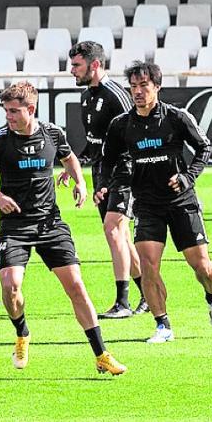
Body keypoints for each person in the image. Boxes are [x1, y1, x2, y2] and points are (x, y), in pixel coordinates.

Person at [0, 82, 127, 376]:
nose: (9, 117)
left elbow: (69, 157)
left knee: (77, 287)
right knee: (10, 286)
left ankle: (101, 354)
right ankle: (22, 332)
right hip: (15, 226)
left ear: (31, 109)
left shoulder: (52, 133)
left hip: (50, 223)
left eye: (14, 111)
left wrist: (79, 181)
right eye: (6, 111)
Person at [98, 61, 212, 344]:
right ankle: (162, 325)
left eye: (144, 86)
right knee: (149, 264)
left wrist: (188, 177)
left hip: (181, 201)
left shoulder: (176, 118)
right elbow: (107, 159)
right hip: (146, 204)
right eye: (133, 87)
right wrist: (103, 185)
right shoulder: (122, 125)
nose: (138, 92)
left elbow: (205, 146)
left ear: (157, 86)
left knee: (202, 267)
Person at [68, 40, 145, 317]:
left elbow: (135, 133)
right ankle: (146, 294)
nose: (72, 70)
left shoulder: (116, 95)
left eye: (77, 65)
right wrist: (72, 164)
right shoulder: (86, 96)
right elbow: (94, 141)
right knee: (120, 234)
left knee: (113, 230)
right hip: (101, 172)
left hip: (124, 170)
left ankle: (122, 302)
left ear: (95, 64)